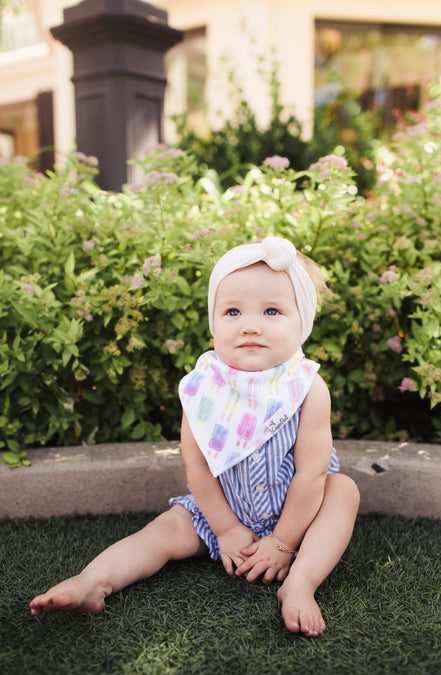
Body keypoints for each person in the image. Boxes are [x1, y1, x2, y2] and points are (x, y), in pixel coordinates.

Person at [30, 236, 360, 637]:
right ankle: (94, 580)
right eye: (232, 311)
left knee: (342, 491)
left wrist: (282, 541)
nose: (250, 325)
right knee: (163, 531)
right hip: (218, 510)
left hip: (296, 517)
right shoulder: (202, 387)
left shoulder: (307, 387)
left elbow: (310, 474)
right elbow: (198, 467)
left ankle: (300, 583)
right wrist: (224, 529)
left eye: (272, 311)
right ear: (214, 321)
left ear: (301, 323)